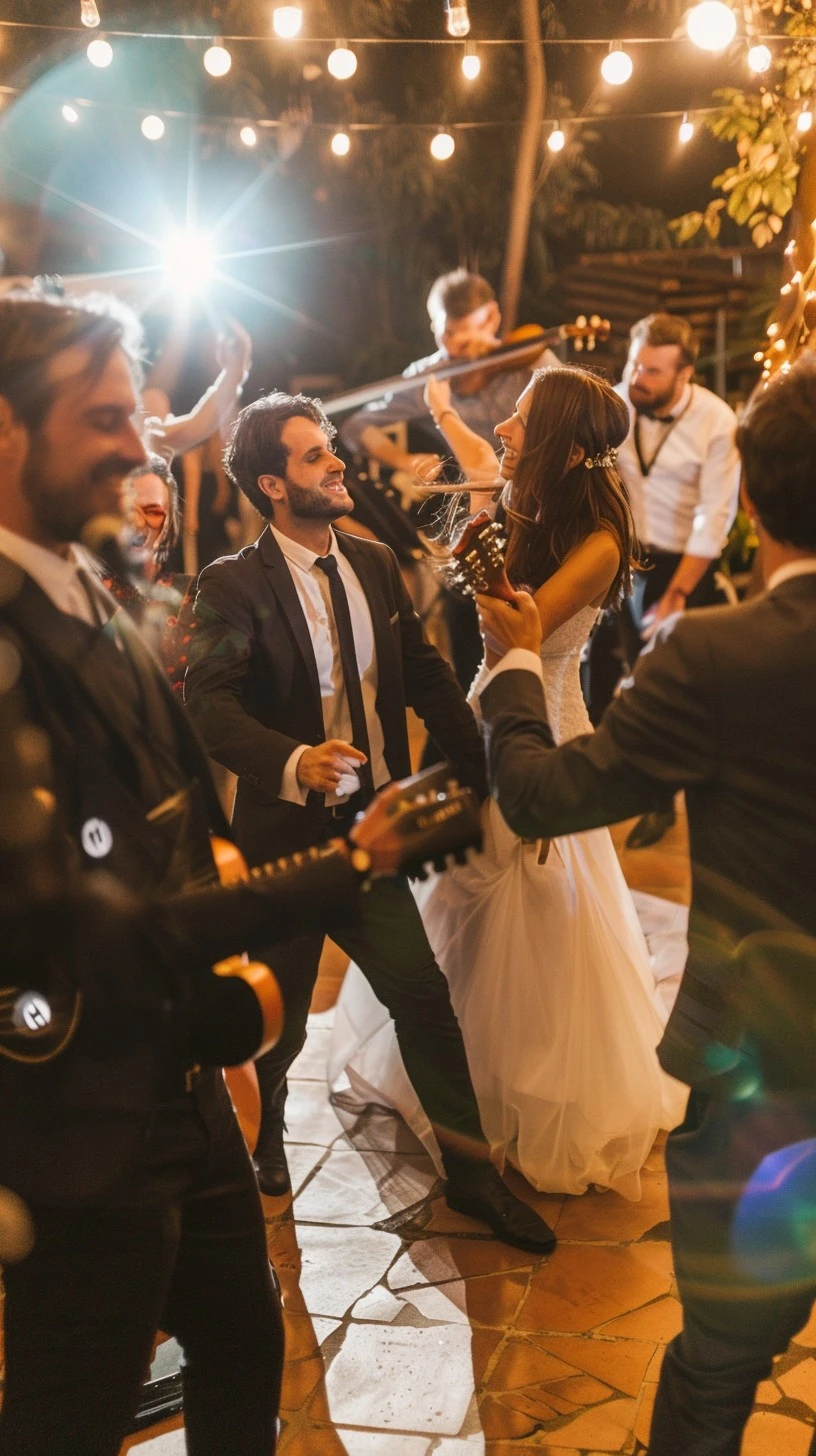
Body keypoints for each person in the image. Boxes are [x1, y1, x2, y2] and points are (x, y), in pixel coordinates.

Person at [0, 289, 440, 1456]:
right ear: (4, 432)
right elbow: (86, 920)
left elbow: (178, 828)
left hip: (181, 1097)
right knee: (68, 1415)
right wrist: (348, 863)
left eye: (139, 421)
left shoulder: (103, 593)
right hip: (79, 1121)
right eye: (105, 419)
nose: (140, 452)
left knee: (244, 1354)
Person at [473, 353, 816, 1456]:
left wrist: (519, 666)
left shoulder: (714, 656)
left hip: (765, 1079)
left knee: (718, 1361)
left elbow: (539, 796)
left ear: (747, 499)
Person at [184, 389, 557, 1253]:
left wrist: (491, 773)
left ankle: (472, 1178)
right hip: (284, 845)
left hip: (374, 834)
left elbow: (425, 677)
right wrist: (291, 759)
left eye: (331, 450)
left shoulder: (376, 563)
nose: (338, 463)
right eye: (315, 456)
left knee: (423, 998)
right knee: (273, 1023)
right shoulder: (231, 584)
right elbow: (209, 706)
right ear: (273, 485)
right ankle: (266, 1129)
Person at [330, 364, 687, 1197]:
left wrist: (490, 582)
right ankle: (458, 1072)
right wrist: (470, 508)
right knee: (459, 893)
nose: (506, 430)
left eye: (520, 419)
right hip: (487, 708)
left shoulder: (598, 543)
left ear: (559, 438)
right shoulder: (527, 503)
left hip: (544, 726)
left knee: (537, 908)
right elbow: (475, 477)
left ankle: (525, 1091)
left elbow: (521, 636)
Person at [340, 269, 559, 693]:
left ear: (492, 318)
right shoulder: (432, 375)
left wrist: (500, 353)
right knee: (468, 625)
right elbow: (356, 427)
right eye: (447, 337)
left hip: (536, 513)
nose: (458, 350)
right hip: (475, 517)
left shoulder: (527, 362)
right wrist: (402, 458)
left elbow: (573, 413)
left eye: (469, 334)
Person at [589, 312, 741, 847]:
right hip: (624, 555)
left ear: (685, 375)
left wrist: (676, 593)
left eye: (653, 371)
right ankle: (617, 786)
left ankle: (668, 804)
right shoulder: (616, 404)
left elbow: (714, 517)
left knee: (674, 690)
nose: (638, 380)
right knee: (616, 677)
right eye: (634, 365)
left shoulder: (718, 422)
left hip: (684, 567)